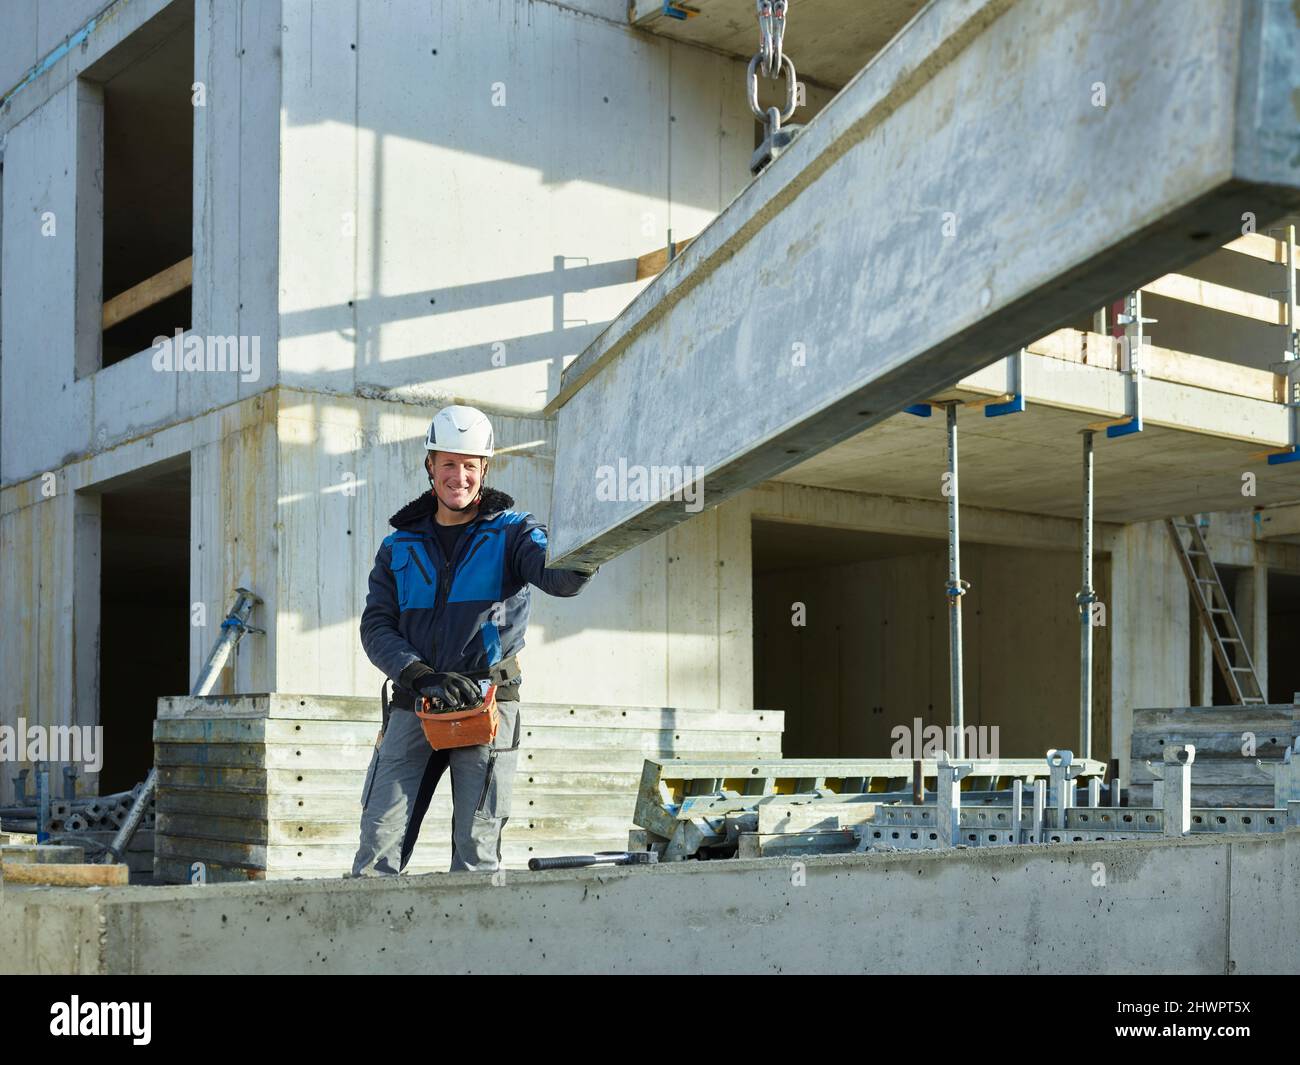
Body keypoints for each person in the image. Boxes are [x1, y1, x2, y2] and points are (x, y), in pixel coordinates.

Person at [351, 404, 595, 874]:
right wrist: (419, 675)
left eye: (469, 465)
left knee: (476, 854)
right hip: (416, 701)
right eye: (447, 463)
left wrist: (590, 547)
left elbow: (559, 578)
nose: (457, 476)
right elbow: (375, 627)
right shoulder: (398, 546)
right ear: (430, 466)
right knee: (377, 846)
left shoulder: (515, 532)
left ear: (484, 469)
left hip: (486, 702)